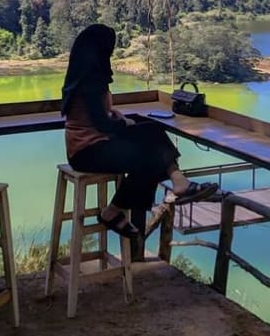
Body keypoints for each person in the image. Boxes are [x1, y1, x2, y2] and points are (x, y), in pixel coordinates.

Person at [61, 23, 217, 237]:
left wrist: (119, 118)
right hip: (88, 152)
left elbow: (97, 118)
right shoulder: (90, 82)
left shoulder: (82, 77)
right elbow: (102, 125)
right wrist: (124, 123)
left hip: (93, 145)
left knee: (151, 130)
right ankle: (117, 209)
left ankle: (176, 181)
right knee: (149, 156)